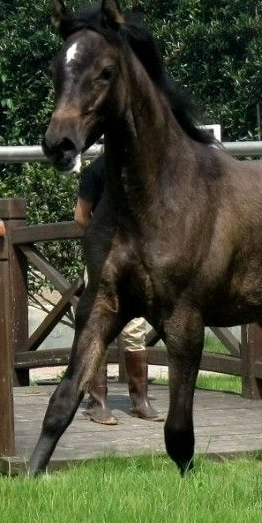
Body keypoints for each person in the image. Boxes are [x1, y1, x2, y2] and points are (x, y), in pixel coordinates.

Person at [74, 154, 164, 425]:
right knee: (104, 327)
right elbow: (80, 216)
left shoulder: (133, 170)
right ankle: (100, 401)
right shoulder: (102, 171)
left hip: (129, 261)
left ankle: (136, 401)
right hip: (112, 260)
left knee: (126, 328)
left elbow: (81, 217)